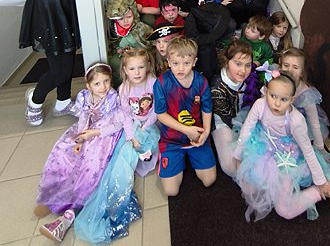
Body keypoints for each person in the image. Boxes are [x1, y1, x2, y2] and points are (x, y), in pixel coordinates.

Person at [75, 49, 160, 243]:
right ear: (125, 70)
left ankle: (117, 198)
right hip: (131, 128)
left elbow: (156, 109)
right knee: (119, 158)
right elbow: (126, 116)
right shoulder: (123, 89)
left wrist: (144, 128)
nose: (137, 72)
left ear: (148, 66)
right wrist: (131, 136)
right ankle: (111, 203)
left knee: (135, 152)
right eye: (132, 68)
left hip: (150, 126)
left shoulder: (154, 83)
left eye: (141, 67)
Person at [233, 70, 330, 222]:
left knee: (284, 210)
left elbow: (308, 151)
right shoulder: (260, 105)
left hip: (287, 160)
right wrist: (238, 155)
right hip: (265, 147)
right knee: (249, 186)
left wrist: (320, 182)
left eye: (283, 99)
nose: (276, 103)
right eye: (273, 96)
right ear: (265, 92)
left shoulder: (296, 120)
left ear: (292, 99)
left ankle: (322, 189)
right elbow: (247, 129)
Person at [35, 63, 123, 242]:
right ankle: (53, 195)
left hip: (103, 134)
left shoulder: (113, 97)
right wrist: (80, 137)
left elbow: (117, 124)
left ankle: (72, 208)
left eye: (106, 81)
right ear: (88, 85)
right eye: (97, 83)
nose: (103, 87)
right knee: (63, 152)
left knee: (92, 162)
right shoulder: (84, 96)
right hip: (86, 131)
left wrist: (94, 133)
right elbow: (83, 117)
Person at [154, 38, 217, 196]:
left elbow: (207, 108)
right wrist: (186, 130)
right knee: (171, 191)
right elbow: (161, 115)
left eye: (186, 63)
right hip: (171, 139)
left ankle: (191, 156)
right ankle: (170, 159)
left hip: (196, 136)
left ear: (194, 62)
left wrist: (206, 131)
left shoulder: (201, 82)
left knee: (209, 181)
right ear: (168, 62)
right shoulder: (161, 83)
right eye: (176, 63)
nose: (181, 68)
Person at [211, 40, 253, 177]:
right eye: (238, 64)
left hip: (246, 116)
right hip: (224, 121)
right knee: (231, 167)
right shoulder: (217, 87)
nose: (243, 70)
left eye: (248, 65)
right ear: (227, 62)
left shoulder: (251, 79)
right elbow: (226, 117)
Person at [280, 48, 329, 150]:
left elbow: (314, 124)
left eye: (295, 67)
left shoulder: (306, 96)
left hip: (298, 125)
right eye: (286, 65)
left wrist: (320, 148)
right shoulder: (276, 82)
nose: (290, 70)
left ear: (302, 72)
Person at [106, 0, 153, 87]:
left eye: (129, 17)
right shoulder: (115, 30)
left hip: (140, 55)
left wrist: (136, 51)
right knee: (115, 62)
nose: (126, 21)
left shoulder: (141, 28)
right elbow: (114, 46)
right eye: (121, 19)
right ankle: (122, 89)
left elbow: (150, 45)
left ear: (134, 14)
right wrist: (120, 50)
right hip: (125, 58)